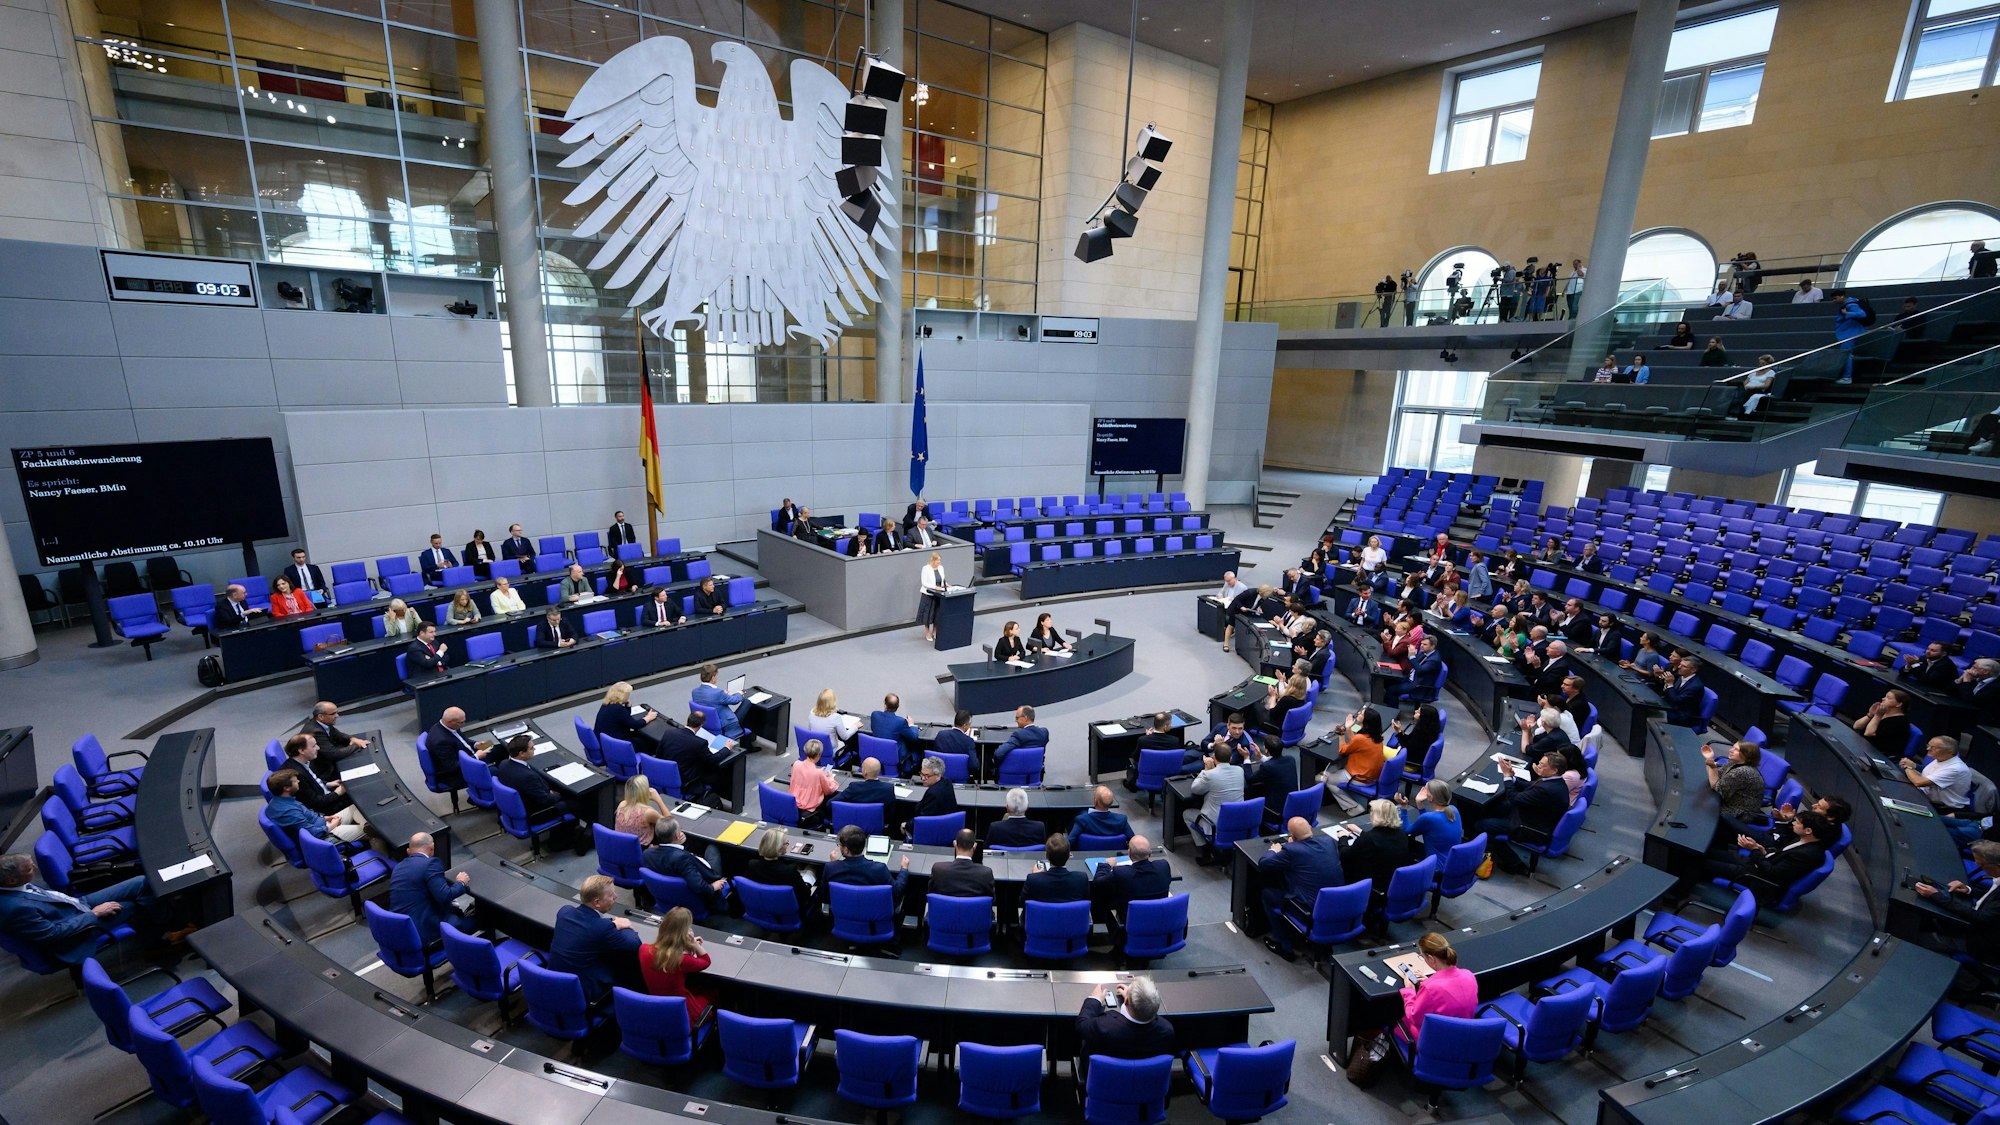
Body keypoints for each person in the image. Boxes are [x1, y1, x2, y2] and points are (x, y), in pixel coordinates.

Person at [0, 852, 186, 963]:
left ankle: (169, 922)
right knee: (134, 905)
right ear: (11, 880)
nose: (35, 868)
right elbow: (52, 934)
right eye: (30, 869)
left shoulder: (15, 885)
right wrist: (94, 913)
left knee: (140, 883)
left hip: (77, 905)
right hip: (76, 929)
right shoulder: (14, 908)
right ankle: (159, 943)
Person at [1257, 816, 1344, 960]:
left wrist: (1274, 850)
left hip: (1307, 910)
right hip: (1336, 905)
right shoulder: (1328, 842)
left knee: (1267, 893)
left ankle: (1285, 946)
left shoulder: (1292, 851)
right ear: (1310, 828)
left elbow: (1264, 864)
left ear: (1292, 836)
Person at [1707, 810, 1834, 907]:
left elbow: (1772, 872)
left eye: (1797, 822)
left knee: (1703, 862)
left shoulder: (1807, 855)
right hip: (1756, 865)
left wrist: (1754, 850)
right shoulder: (1803, 840)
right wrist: (1761, 849)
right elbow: (1779, 854)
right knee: (1708, 852)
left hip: (1758, 879)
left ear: (1808, 830)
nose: (1793, 823)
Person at [549, 875, 641, 1006]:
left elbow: (589, 926)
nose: (615, 897)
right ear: (597, 902)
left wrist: (613, 924)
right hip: (581, 991)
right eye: (611, 895)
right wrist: (625, 925)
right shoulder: (601, 928)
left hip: (552, 982)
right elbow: (634, 945)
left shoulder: (565, 912)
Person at [1474, 753, 1570, 875]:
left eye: (1542, 765)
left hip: (1529, 828)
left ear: (1554, 770)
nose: (1538, 766)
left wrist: (1507, 777)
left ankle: (1513, 862)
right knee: (1497, 806)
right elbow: (1530, 786)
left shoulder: (1547, 789)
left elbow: (1514, 798)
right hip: (1534, 815)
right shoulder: (1556, 781)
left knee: (1481, 825)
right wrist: (1512, 777)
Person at [495, 735, 590, 855]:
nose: (534, 749)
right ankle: (562, 842)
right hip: (536, 813)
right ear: (522, 753)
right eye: (531, 748)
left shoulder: (504, 764)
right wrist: (557, 794)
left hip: (519, 806)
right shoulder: (527, 776)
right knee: (578, 801)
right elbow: (546, 800)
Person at [1912, 841, 2000, 969]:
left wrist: (1936, 895)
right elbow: (1992, 894)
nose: (1977, 865)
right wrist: (1969, 890)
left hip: (1982, 942)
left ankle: (1968, 983)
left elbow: (1981, 918)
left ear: (1997, 866)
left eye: (1981, 865)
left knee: (1919, 938)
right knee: (1924, 920)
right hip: (1974, 926)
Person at [1390, 933, 1478, 1048]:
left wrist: (1409, 991)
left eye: (1423, 956)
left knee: (1393, 1022)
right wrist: (1432, 980)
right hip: (1463, 1035)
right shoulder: (1468, 975)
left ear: (1431, 959)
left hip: (1436, 1043)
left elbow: (1414, 1017)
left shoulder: (1430, 987)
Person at [389, 832, 468, 947]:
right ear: (432, 848)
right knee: (477, 921)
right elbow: (445, 896)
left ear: (408, 851)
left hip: (401, 931)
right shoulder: (431, 863)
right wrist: (461, 882)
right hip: (424, 934)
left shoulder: (398, 867)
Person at [636, 906, 711, 1027]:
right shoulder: (681, 960)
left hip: (657, 1008)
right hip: (682, 1016)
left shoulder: (643, 949)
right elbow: (706, 961)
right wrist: (693, 944)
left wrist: (682, 946)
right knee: (714, 995)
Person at [1077, 976, 1175, 1064]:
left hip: (1105, 1080)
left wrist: (1094, 999)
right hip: (1146, 1082)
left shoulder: (1105, 1027)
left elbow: (1082, 1024)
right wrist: (1138, 999)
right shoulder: (1166, 1030)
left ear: (1126, 1000)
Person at [817, 825, 911, 915]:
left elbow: (825, 896)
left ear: (846, 850)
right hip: (873, 923)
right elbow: (897, 892)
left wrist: (834, 864)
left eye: (839, 845)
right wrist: (904, 868)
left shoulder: (830, 867)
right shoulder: (879, 869)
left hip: (843, 921)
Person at [642, 817, 730, 912]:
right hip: (707, 882)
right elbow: (699, 887)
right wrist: (713, 887)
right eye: (680, 830)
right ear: (677, 835)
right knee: (712, 847)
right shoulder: (682, 858)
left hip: (669, 897)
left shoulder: (647, 854)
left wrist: (678, 844)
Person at [278, 735, 365, 826]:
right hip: (327, 809)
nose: (318, 748)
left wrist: (327, 784)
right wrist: (338, 792)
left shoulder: (298, 763)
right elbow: (316, 803)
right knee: (361, 798)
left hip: (324, 794)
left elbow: (313, 781)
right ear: (302, 751)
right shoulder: (297, 776)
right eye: (313, 746)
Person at [265, 769, 364, 845]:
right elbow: (312, 834)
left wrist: (325, 818)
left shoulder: (280, 800)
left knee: (354, 807)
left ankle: (366, 825)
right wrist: (333, 825)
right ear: (286, 788)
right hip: (324, 836)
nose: (299, 782)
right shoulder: (289, 811)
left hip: (321, 823)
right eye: (295, 781)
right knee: (369, 830)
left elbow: (307, 815)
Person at [1346, 799, 1415, 901]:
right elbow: (1380, 841)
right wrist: (1359, 831)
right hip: (1393, 880)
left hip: (1375, 885)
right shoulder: (1401, 833)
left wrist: (1343, 838)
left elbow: (1346, 856)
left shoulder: (1369, 838)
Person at [1188, 744, 1245, 864]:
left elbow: (1195, 789)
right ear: (1230, 758)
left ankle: (1207, 851)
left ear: (1214, 757)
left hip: (1215, 824)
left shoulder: (1209, 775)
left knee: (1186, 814)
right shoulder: (1240, 770)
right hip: (1238, 821)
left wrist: (1206, 769)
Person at [746, 827, 813, 914]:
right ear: (779, 848)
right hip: (789, 913)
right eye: (786, 843)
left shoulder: (752, 865)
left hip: (763, 908)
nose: (787, 845)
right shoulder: (789, 871)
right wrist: (808, 882)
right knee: (811, 870)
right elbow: (806, 895)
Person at [1707, 740, 1767, 836]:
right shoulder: (1733, 762)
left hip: (1739, 813)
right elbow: (1719, 775)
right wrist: (1712, 767)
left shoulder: (1742, 772)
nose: (1731, 750)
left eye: (1736, 750)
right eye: (1733, 747)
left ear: (1746, 755)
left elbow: (1717, 788)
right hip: (1730, 800)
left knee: (1704, 810)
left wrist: (1711, 766)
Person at [1398, 780, 1464, 862]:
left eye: (1426, 790)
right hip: (1453, 860)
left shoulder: (1429, 818)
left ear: (1431, 797)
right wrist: (1419, 803)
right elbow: (1428, 822)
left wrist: (1403, 807)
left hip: (1436, 867)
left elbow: (1407, 830)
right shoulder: (1453, 809)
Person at [1900, 735, 1972, 811]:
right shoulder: (1941, 758)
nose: (1928, 749)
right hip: (1925, 796)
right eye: (1928, 745)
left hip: (1943, 808)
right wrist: (1912, 767)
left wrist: (1907, 767)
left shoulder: (1955, 769)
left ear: (1949, 752)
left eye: (1934, 747)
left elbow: (1918, 782)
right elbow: (1924, 777)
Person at [425, 707, 486, 789]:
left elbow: (463, 740)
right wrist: (476, 757)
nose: (464, 724)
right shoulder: (441, 741)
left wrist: (476, 744)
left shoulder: (449, 726)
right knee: (494, 771)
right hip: (456, 774)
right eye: (461, 722)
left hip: (468, 755)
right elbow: (452, 767)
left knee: (498, 748)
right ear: (450, 722)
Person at [1024, 833, 1090, 906]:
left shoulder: (1033, 880)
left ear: (1046, 855)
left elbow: (1022, 902)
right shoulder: (1081, 879)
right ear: (1069, 856)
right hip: (1070, 917)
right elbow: (1086, 902)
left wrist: (1036, 876)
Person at [929, 829, 996, 900]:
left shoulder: (938, 869)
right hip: (973, 911)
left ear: (954, 844)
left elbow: (931, 895)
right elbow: (992, 900)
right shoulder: (986, 873)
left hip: (943, 910)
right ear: (975, 846)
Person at [595, 681, 658, 755]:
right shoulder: (618, 709)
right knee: (647, 742)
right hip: (617, 744)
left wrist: (628, 706)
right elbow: (635, 725)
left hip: (606, 740)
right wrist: (649, 717)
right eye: (628, 694)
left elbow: (624, 718)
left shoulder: (607, 704)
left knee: (639, 735)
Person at [1331, 707, 1387, 789]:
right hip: (1371, 778)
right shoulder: (1376, 736)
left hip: (1359, 778)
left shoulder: (1360, 738)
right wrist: (1349, 729)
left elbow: (1342, 751)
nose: (1358, 713)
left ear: (1366, 720)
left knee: (1322, 779)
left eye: (1361, 714)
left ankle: (1349, 802)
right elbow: (1358, 743)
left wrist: (1341, 734)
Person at [788, 738, 839, 827]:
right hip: (810, 811)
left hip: (793, 806)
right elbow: (829, 790)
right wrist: (830, 777)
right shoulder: (818, 773)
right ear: (818, 755)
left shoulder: (796, 764)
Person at [838, 757, 898, 834]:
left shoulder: (854, 787)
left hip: (852, 830)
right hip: (877, 830)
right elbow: (891, 815)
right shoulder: (888, 789)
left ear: (865, 771)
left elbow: (830, 803)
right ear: (879, 771)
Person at [868, 693, 921, 774]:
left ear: (885, 705)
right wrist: (911, 724)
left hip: (876, 755)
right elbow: (914, 737)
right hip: (895, 759)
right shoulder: (901, 722)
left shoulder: (875, 715)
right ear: (898, 706)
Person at [692, 663, 748, 740]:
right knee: (747, 702)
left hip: (706, 723)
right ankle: (748, 742)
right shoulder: (718, 693)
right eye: (717, 676)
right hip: (726, 725)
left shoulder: (695, 692)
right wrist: (739, 693)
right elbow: (735, 701)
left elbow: (711, 699)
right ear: (713, 678)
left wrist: (723, 694)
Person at [1854, 689, 1915, 758]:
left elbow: (1868, 733)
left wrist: (1877, 716)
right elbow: (1856, 726)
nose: (1883, 699)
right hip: (1862, 746)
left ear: (1899, 704)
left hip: (1877, 755)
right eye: (1885, 697)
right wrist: (1870, 715)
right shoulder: (1881, 712)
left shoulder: (1901, 722)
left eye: (1888, 698)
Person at [993, 706, 1049, 777]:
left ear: (1025, 718)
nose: (1016, 721)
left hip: (1015, 777)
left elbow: (998, 754)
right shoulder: (1044, 733)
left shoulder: (1019, 735)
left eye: (1017, 718)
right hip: (1035, 777)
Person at [304, 701, 370, 760]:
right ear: (321, 716)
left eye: (337, 713)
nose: (337, 716)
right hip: (325, 769)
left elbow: (338, 735)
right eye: (333, 714)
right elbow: (333, 754)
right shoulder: (316, 732)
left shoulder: (324, 722)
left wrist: (352, 739)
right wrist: (357, 745)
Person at [908, 756, 960, 831]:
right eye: (922, 774)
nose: (922, 778)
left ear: (938, 775)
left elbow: (922, 820)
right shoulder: (947, 781)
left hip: (935, 830)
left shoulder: (932, 794)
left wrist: (906, 825)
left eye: (927, 776)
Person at [615, 775, 669, 845]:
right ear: (645, 791)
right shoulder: (648, 812)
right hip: (639, 850)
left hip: (621, 846)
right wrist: (658, 799)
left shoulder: (622, 804)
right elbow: (669, 824)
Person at [1831, 287, 1868, 384]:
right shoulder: (1851, 302)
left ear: (1842, 296)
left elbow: (1862, 314)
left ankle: (1847, 377)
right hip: (1849, 331)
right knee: (1847, 354)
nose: (1834, 301)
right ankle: (1846, 376)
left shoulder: (1850, 304)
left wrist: (1847, 313)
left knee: (1846, 354)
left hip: (1850, 333)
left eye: (1835, 298)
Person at [1657, 655, 1707, 727]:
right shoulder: (1682, 676)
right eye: (1680, 664)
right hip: (1672, 708)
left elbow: (1676, 700)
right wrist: (1666, 683)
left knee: (1649, 717)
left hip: (1682, 717)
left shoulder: (1695, 686)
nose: (1679, 667)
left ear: (1693, 670)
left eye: (1684, 666)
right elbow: (1671, 693)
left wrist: (1670, 684)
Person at [917, 552, 948, 640]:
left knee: (936, 614)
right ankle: (927, 632)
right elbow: (924, 583)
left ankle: (935, 631)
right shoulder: (926, 568)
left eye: (940, 560)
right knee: (927, 615)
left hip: (938, 594)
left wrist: (946, 585)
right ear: (932, 560)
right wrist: (935, 587)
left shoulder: (941, 568)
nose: (939, 562)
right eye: (937, 560)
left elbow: (942, 580)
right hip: (928, 594)